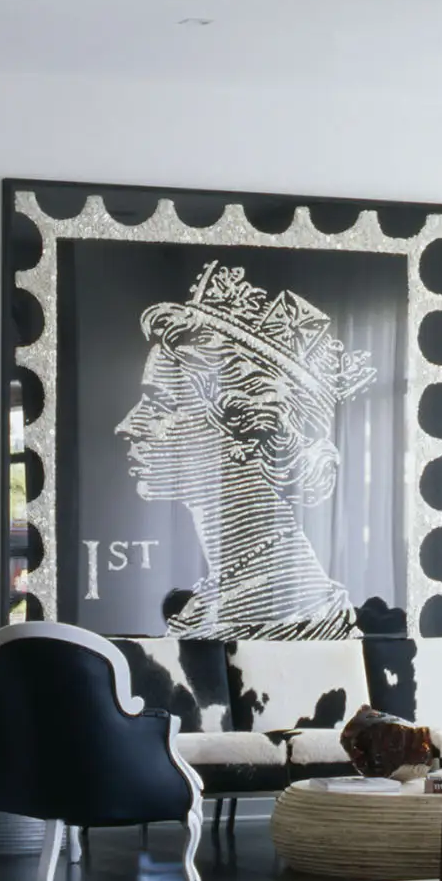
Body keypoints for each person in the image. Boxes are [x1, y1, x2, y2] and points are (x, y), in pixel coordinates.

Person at [117, 260, 374, 639]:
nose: (126, 427)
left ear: (248, 432)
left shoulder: (290, 604)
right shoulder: (219, 594)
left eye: (161, 405)